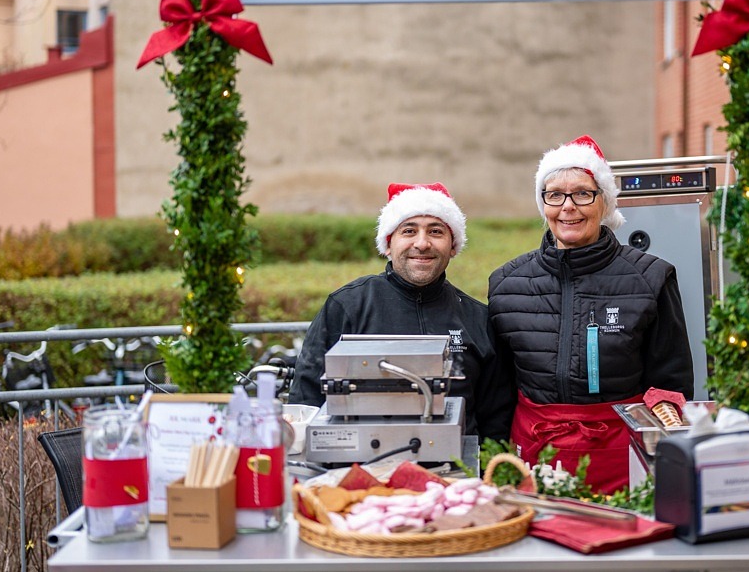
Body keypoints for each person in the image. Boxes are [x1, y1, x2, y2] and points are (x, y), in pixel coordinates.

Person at [488, 135, 694, 493]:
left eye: (583, 193)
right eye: (554, 195)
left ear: (605, 202)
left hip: (624, 459)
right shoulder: (507, 284)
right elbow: (498, 392)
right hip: (534, 461)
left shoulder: (651, 278)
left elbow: (670, 384)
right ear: (543, 204)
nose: (568, 206)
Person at [289, 182, 514, 443]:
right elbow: (307, 399)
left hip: (455, 473)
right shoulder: (347, 306)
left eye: (436, 231)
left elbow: (496, 420)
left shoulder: (477, 318)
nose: (422, 243)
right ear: (388, 244)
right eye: (409, 231)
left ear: (453, 246)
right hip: (354, 470)